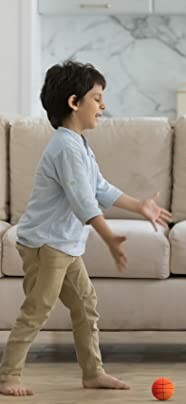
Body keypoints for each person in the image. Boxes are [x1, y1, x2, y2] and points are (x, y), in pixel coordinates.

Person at [0, 61, 172, 397]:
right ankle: (8, 375)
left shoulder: (78, 144)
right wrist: (109, 236)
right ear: (73, 102)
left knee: (85, 305)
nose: (103, 105)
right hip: (45, 245)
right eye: (97, 98)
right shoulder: (65, 147)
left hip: (64, 244)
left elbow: (98, 188)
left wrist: (139, 205)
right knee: (37, 309)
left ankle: (93, 373)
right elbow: (81, 200)